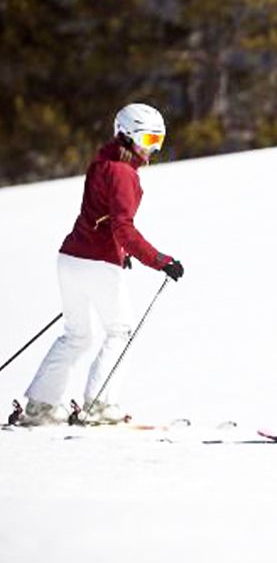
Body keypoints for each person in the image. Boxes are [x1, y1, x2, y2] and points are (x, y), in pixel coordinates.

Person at [20, 103, 184, 426]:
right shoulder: (124, 174)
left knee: (76, 335)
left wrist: (120, 254)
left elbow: (102, 219)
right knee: (119, 330)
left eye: (159, 141)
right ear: (127, 135)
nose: (154, 149)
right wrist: (161, 261)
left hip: (70, 259)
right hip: (96, 263)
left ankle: (40, 405)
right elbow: (123, 228)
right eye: (149, 139)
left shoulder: (102, 162)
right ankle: (99, 404)